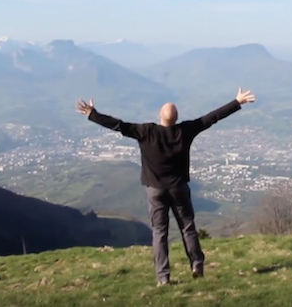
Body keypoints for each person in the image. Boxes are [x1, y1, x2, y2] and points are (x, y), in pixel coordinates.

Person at [75, 87, 256, 286]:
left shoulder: (146, 131)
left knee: (160, 233)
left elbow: (118, 125)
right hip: (179, 189)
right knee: (188, 228)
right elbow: (211, 118)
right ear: (177, 118)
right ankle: (196, 264)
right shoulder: (184, 131)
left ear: (159, 116)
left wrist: (93, 114)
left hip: (155, 190)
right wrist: (237, 102)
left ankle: (163, 277)